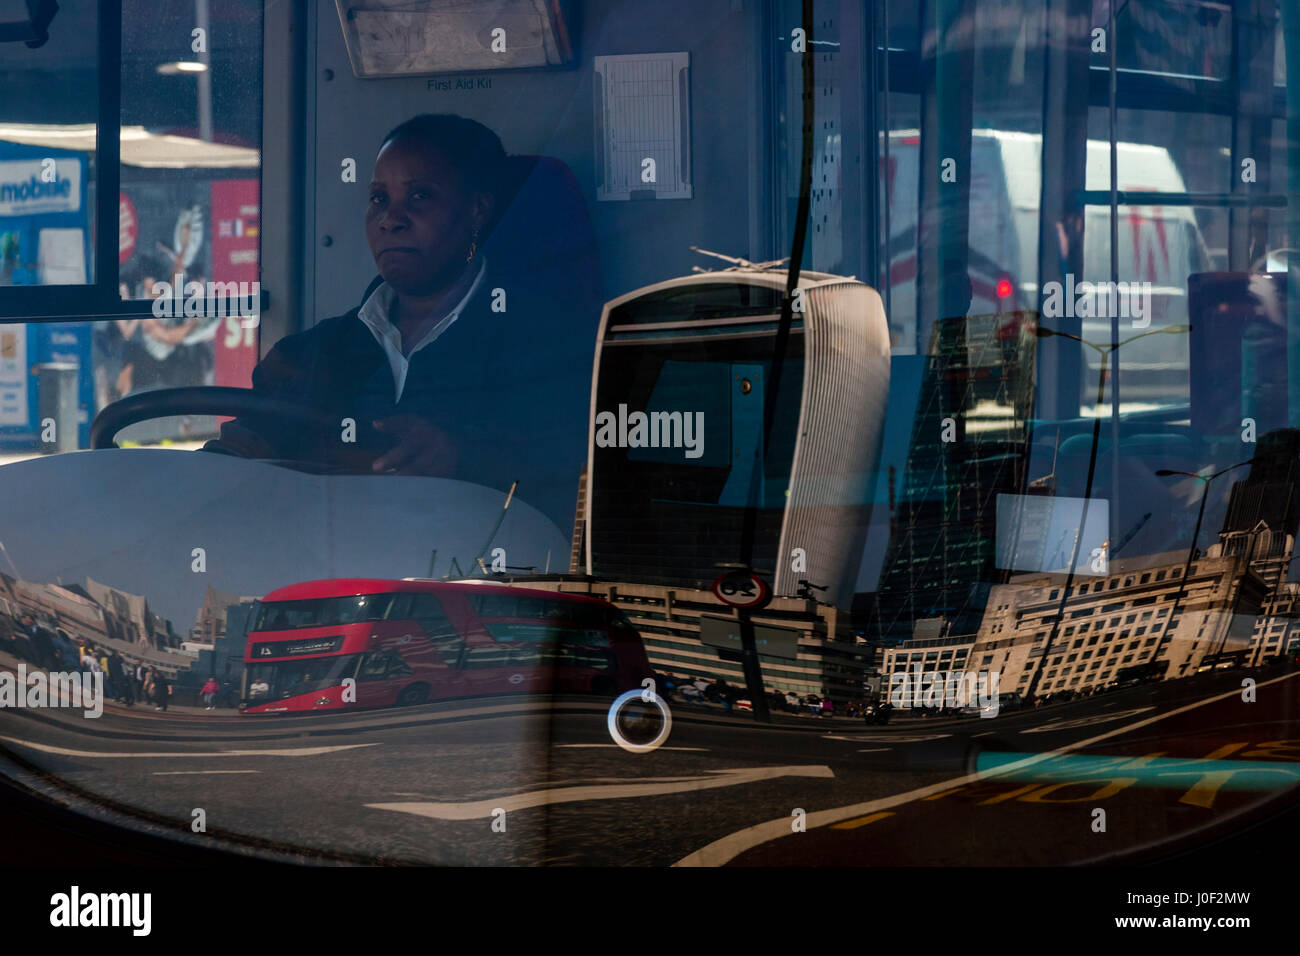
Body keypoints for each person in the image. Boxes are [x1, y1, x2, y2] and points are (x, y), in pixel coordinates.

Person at [203, 113, 599, 533]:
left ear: (478, 209)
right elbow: (249, 445)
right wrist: (221, 466)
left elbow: (575, 463)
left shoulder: (547, 344)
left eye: (420, 196)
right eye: (379, 199)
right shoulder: (316, 351)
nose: (390, 219)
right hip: (335, 590)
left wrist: (463, 457)